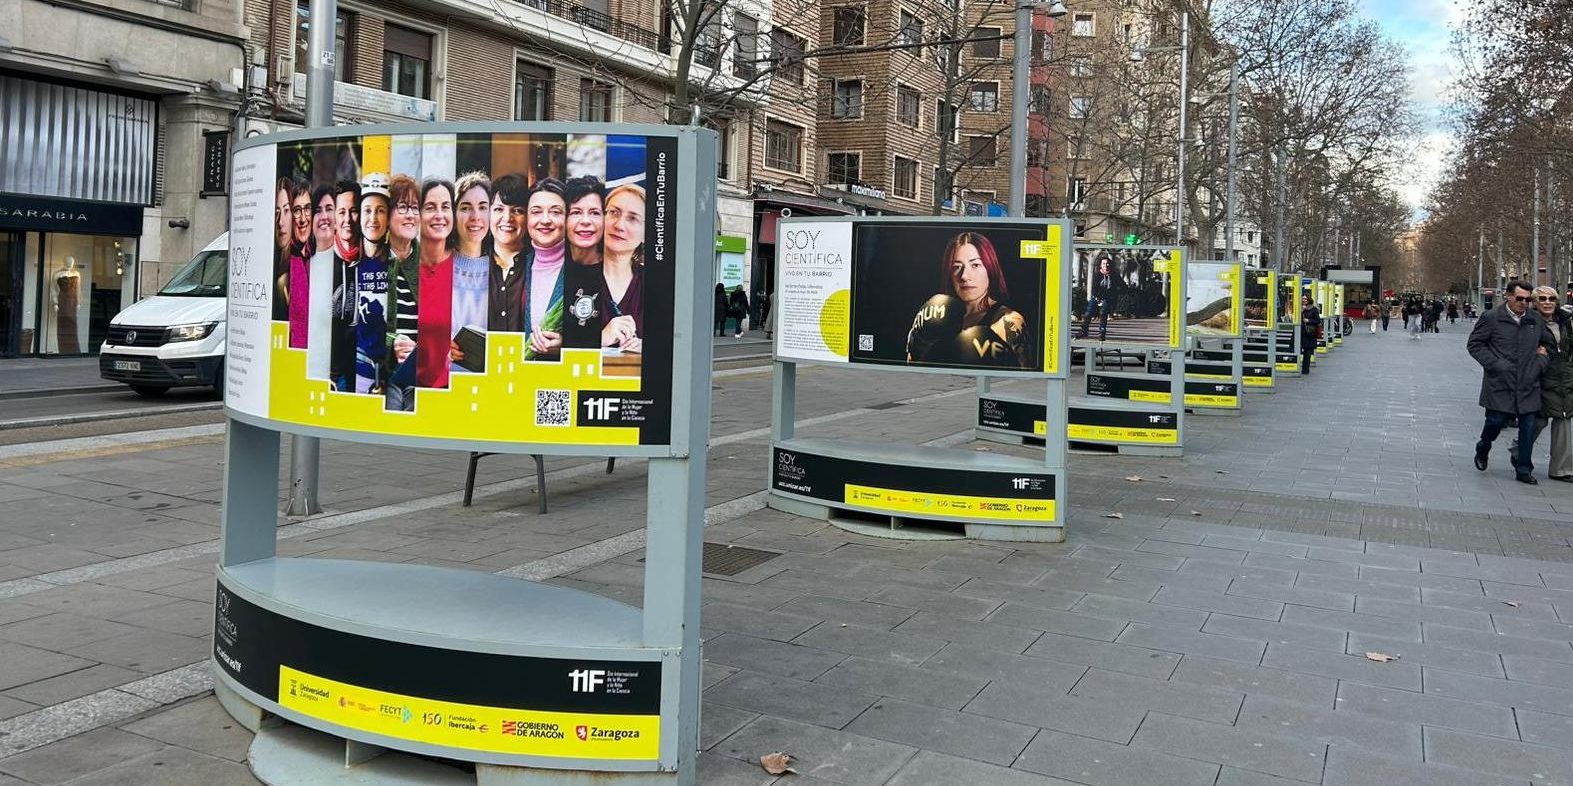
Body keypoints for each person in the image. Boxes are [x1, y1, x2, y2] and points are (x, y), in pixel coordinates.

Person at [1468, 281, 1552, 484]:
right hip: (1500, 383)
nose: (1524, 303)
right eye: (1520, 298)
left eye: (1528, 300)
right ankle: (1483, 446)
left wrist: (1540, 362)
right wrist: (1497, 365)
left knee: (1528, 427)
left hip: (1528, 383)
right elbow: (1475, 345)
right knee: (1495, 422)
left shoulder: (1534, 319)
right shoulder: (1491, 318)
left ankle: (1524, 469)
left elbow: (1547, 344)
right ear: (1508, 296)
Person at [907, 232, 1032, 367]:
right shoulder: (936, 313)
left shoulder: (1007, 321)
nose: (964, 276)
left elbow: (1022, 374)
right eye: (956, 267)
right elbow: (913, 367)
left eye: (975, 265)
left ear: (990, 268)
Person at [353, 173, 392, 394]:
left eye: (380, 210)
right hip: (357, 371)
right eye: (367, 210)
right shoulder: (350, 263)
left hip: (391, 372)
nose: (373, 218)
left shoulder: (396, 263)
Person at [1530, 287, 1573, 482]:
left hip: (1563, 378)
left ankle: (1562, 469)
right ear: (1535, 302)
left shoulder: (1565, 322)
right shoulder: (1530, 322)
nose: (1547, 302)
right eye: (1542, 299)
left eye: (1551, 299)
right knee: (1538, 420)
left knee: (1563, 418)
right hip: (1540, 376)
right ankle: (1518, 451)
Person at [450, 172, 492, 373]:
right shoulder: (437, 267)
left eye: (483, 207)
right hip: (444, 380)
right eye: (465, 208)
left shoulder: (502, 270)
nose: (475, 217)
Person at [522, 178, 568, 359]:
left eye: (556, 212)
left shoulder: (582, 268)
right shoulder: (517, 266)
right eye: (536, 212)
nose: (546, 220)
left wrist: (566, 344)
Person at [327, 180, 361, 392]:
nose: (348, 219)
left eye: (354, 211)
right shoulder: (322, 262)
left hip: (362, 374)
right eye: (341, 212)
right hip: (330, 376)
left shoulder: (372, 259)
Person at [486, 174, 530, 333]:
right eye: (498, 209)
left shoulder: (538, 265)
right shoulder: (475, 263)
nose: (507, 218)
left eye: (518, 211)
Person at [1076, 255, 1114, 341]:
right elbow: (1094, 288)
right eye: (1104, 264)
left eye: (1107, 264)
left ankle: (1102, 332)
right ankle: (1084, 330)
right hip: (1097, 297)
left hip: (1108, 298)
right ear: (1100, 265)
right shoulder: (1097, 275)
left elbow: (1120, 287)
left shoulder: (1114, 275)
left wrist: (1111, 295)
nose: (1106, 265)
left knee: (1103, 312)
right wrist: (1098, 298)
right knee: (1089, 312)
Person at [1299, 293, 1320, 374]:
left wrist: (1309, 320)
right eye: (1302, 299)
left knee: (1307, 351)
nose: (1303, 300)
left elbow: (1317, 320)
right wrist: (1301, 310)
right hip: (1301, 331)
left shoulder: (1314, 309)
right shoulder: (1300, 308)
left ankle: (1305, 369)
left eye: (1305, 299)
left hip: (1309, 333)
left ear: (1309, 300)